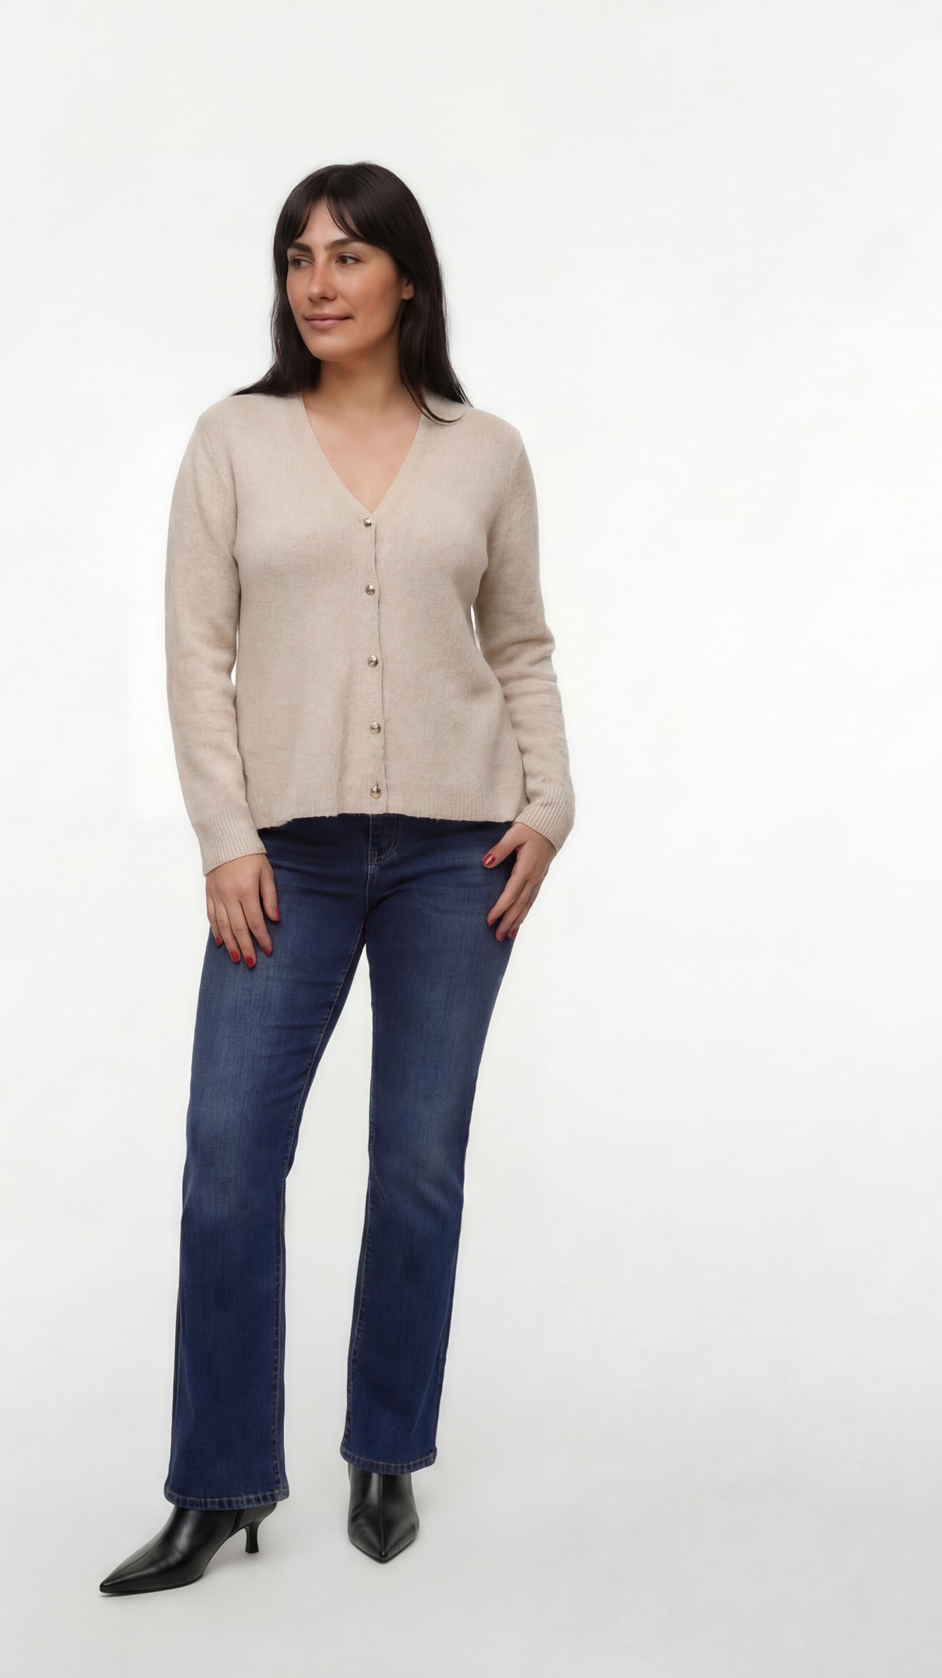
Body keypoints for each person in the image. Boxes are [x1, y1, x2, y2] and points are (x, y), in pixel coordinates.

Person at [100, 161, 576, 1595]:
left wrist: (550, 800)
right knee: (229, 1161)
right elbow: (196, 650)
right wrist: (225, 836)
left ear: (406, 280)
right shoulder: (233, 441)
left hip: (455, 850)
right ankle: (220, 1483)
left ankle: (387, 1451)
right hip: (286, 856)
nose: (318, 281)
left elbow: (520, 642)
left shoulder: (486, 452)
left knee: (418, 1166)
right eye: (298, 256)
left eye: (349, 255)